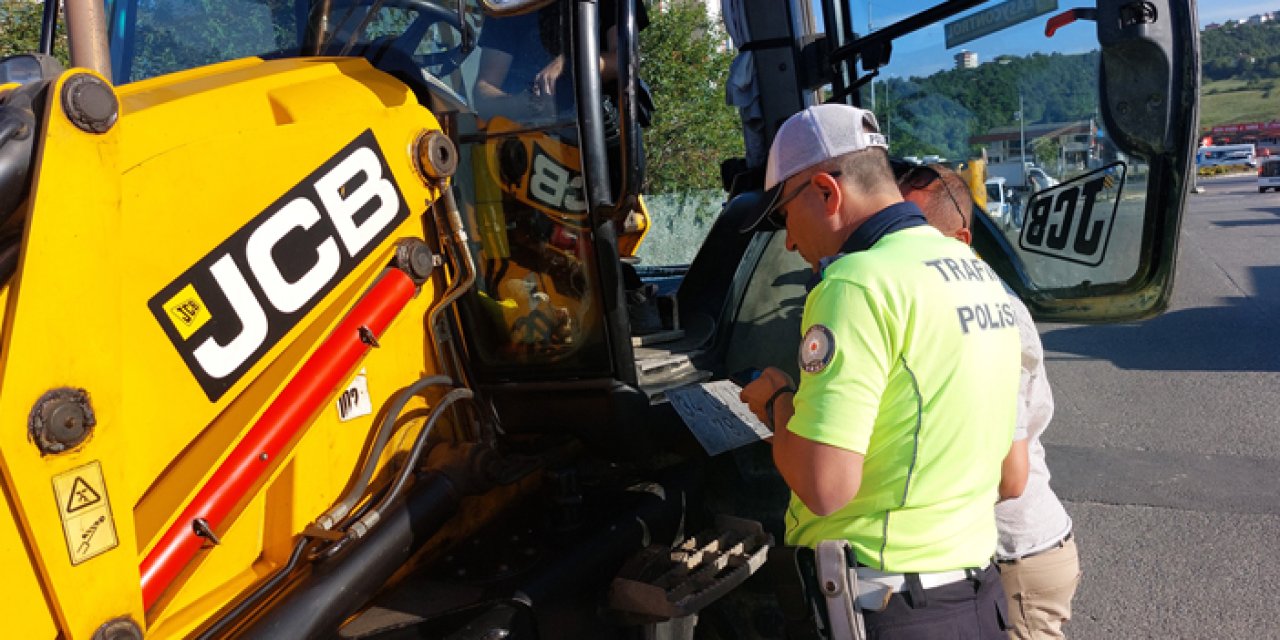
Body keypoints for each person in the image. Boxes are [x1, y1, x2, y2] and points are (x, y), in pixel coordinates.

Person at [738, 104, 1020, 639]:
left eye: (784, 216)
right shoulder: (976, 274)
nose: (790, 241)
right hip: (976, 601)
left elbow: (824, 486)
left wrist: (776, 401)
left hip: (893, 607)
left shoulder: (856, 283)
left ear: (826, 191)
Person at [896, 163, 1080, 640]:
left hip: (1020, 558)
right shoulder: (941, 302)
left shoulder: (988, 312)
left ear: (960, 240)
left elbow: (1010, 476)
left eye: (914, 232)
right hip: (1014, 554)